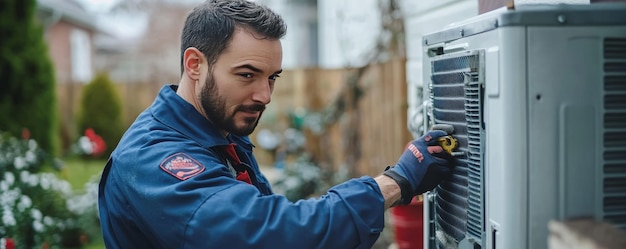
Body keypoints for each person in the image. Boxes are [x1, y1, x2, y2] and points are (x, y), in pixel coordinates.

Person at [97, 0, 455, 248]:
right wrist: (395, 183)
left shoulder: (219, 134)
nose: (264, 95)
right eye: (247, 74)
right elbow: (267, 235)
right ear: (195, 65)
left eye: (272, 77)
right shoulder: (154, 159)